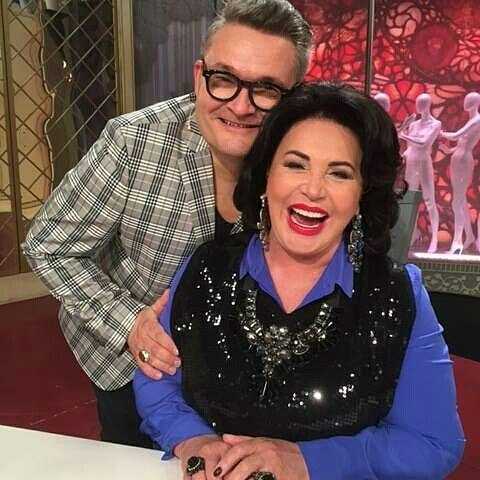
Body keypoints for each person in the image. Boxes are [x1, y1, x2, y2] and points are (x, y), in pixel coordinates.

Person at [134, 83, 464, 480]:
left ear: (361, 195)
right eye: (295, 165)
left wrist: (308, 460)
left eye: (339, 173)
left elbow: (432, 444)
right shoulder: (206, 266)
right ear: (267, 175)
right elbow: (157, 381)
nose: (313, 189)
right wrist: (192, 440)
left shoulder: (397, 293)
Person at [22, 0, 312, 447]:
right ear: (199, 76)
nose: (240, 106)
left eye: (267, 89)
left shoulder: (306, 155)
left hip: (249, 374)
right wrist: (128, 323)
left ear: (295, 96)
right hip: (139, 364)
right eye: (224, 79)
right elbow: (48, 244)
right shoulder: (135, 140)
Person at [398, 93, 441, 253]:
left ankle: (435, 237)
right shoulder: (414, 125)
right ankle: (410, 235)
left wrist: (404, 135)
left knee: (429, 199)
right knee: (409, 199)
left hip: (424, 162)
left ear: (427, 105)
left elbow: (424, 143)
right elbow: (410, 147)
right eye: (417, 103)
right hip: (412, 162)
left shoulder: (435, 124)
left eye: (421, 103)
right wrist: (404, 127)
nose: (418, 106)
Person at [440, 92, 480, 254]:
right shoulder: (471, 120)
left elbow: (457, 136)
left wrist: (440, 133)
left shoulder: (477, 120)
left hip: (464, 160)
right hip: (458, 158)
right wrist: (448, 150)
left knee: (457, 201)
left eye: (469, 100)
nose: (465, 102)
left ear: (475, 103)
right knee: (460, 200)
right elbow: (461, 142)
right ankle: (468, 236)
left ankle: (457, 241)